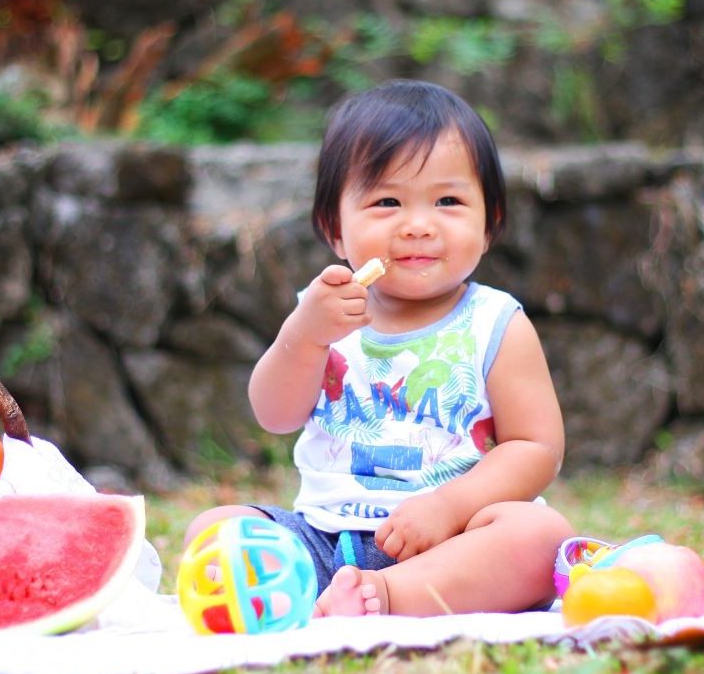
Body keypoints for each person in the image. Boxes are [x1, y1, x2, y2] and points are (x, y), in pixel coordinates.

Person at [184, 79, 573, 617]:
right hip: (324, 538)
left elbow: (535, 447)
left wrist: (448, 506)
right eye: (387, 201)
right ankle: (330, 593)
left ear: (490, 225)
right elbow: (274, 415)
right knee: (215, 530)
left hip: (453, 539)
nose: (417, 225)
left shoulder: (495, 323)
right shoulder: (323, 312)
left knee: (540, 535)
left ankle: (389, 596)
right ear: (335, 230)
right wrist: (304, 335)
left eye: (448, 201)